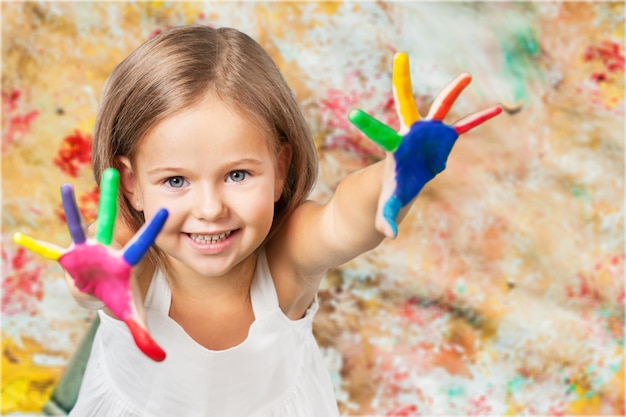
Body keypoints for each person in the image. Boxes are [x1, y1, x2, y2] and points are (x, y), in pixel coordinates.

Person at [16, 24, 501, 416]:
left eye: (238, 174)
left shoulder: (286, 262)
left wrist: (394, 176)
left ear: (280, 169)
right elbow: (97, 282)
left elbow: (341, 218)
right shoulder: (134, 258)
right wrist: (89, 286)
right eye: (176, 181)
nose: (210, 209)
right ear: (133, 182)